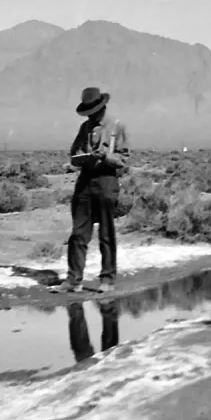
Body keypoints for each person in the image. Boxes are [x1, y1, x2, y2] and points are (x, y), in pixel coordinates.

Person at [53, 86, 130, 294]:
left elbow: (124, 160)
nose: (92, 116)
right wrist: (78, 161)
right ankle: (74, 280)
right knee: (78, 233)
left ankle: (107, 279)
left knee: (106, 232)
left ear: (101, 107)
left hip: (106, 181)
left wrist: (105, 156)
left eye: (94, 111)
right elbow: (75, 152)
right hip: (85, 180)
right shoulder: (84, 128)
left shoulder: (116, 127)